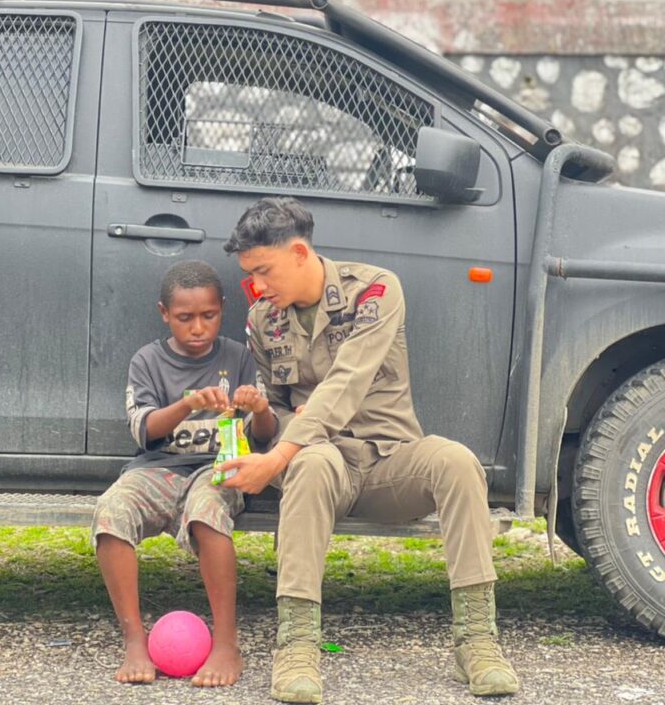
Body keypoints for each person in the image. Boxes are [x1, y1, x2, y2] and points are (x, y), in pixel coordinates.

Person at [220, 197, 519, 703]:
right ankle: (297, 646)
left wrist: (276, 458)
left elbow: (348, 380)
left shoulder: (375, 290)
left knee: (457, 462)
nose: (258, 286)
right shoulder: (263, 320)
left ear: (299, 253)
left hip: (389, 461)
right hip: (323, 466)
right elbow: (273, 409)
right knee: (312, 462)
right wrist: (268, 426)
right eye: (250, 276)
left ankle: (477, 641)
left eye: (264, 271)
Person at [91, 260, 276, 686]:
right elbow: (144, 430)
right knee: (111, 511)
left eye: (209, 316)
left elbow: (264, 437)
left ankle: (226, 644)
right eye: (184, 318)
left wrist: (261, 408)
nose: (197, 328)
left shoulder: (239, 357)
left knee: (207, 512)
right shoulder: (148, 361)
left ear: (222, 309)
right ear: (164, 313)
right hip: (157, 468)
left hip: (218, 468)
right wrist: (187, 405)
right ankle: (135, 640)